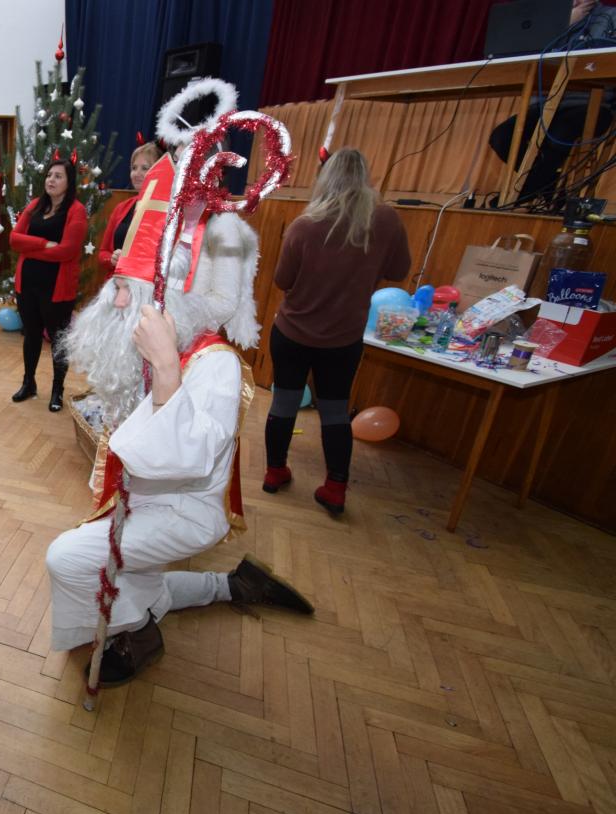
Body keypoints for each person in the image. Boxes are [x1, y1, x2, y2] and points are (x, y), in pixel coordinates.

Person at [46, 97, 313, 687]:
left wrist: (167, 368)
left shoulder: (213, 364)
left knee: (68, 557)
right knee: (134, 572)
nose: (117, 298)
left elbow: (189, 457)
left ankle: (139, 634)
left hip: (189, 508)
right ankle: (232, 585)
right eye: (119, 283)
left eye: (130, 287)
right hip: (147, 495)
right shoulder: (147, 346)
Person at [264, 149, 410, 515]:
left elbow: (282, 280)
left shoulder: (305, 226)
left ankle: (275, 472)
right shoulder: (386, 220)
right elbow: (399, 270)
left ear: (324, 178)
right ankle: (335, 487)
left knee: (283, 405)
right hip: (343, 340)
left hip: (293, 333)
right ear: (365, 178)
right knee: (335, 412)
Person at [487, 0, 616, 204]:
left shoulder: (611, 17)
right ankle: (547, 184)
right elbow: (529, 55)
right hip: (548, 102)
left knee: (559, 134)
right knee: (501, 137)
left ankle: (524, 191)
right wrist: (562, 25)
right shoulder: (550, 20)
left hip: (592, 103)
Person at [9, 158, 88, 412]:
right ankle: (28, 383)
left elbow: (67, 251)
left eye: (58, 176)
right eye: (49, 175)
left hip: (57, 289)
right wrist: (43, 244)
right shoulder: (35, 205)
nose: (51, 180)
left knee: (58, 340)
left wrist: (30, 247)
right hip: (27, 284)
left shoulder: (76, 210)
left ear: (69, 182)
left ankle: (57, 391)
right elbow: (14, 239)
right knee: (31, 335)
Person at [97, 142, 162, 279]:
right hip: (116, 283)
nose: (137, 173)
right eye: (134, 168)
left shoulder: (166, 209)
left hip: (146, 285)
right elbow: (103, 253)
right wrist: (112, 259)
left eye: (145, 168)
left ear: (160, 171)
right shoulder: (121, 207)